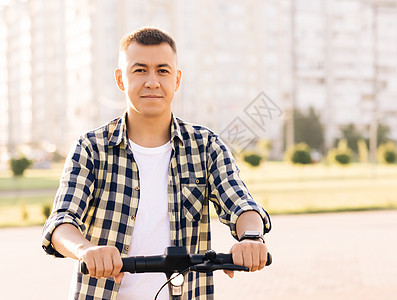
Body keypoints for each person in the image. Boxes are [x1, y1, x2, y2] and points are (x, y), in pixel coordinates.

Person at [42, 27, 271, 300]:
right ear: (120, 79)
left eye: (163, 70)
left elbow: (242, 205)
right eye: (140, 70)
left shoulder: (206, 146)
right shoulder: (91, 148)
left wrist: (251, 238)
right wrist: (86, 250)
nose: (152, 81)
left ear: (177, 80)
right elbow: (61, 222)